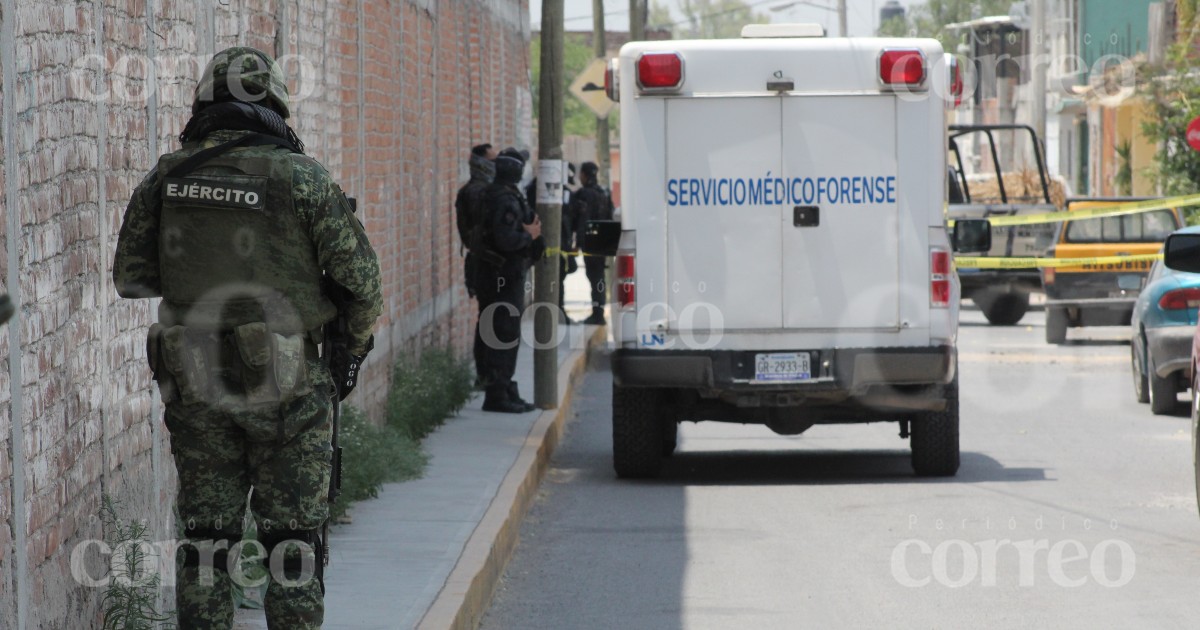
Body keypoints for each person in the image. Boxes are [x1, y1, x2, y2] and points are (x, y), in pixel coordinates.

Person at [113, 47, 383, 630]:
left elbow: (130, 278)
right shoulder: (302, 178)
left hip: (196, 383)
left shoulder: (168, 175)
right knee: (293, 544)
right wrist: (348, 355)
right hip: (290, 391)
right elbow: (363, 286)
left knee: (207, 541)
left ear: (205, 101)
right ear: (277, 103)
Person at [477, 148, 543, 413]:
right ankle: (496, 394)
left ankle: (504, 387)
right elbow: (505, 240)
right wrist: (530, 236)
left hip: (504, 276)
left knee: (506, 333)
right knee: (502, 334)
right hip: (502, 276)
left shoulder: (502, 194)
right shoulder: (503, 199)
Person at [455, 143, 498, 386]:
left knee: (489, 318)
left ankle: (486, 375)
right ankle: (485, 375)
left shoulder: (478, 190)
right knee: (489, 319)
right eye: (492, 160)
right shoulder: (477, 192)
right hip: (484, 263)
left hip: (483, 262)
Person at [572, 161, 615, 325]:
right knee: (598, 278)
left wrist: (577, 243)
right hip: (603, 240)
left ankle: (597, 313)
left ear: (583, 175)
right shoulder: (603, 192)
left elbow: (582, 220)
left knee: (595, 277)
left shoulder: (584, 194)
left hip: (591, 241)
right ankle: (598, 311)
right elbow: (610, 215)